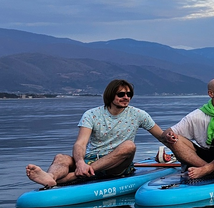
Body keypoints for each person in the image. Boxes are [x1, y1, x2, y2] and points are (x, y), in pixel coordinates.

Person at [25, 79, 172, 187]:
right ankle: (50, 177)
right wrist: (80, 162)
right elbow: (80, 143)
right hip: (92, 159)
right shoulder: (91, 114)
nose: (126, 97)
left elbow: (161, 136)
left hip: (118, 165)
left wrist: (176, 142)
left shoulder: (139, 114)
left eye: (129, 94)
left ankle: (81, 173)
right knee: (61, 158)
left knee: (129, 146)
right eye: (121, 94)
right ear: (110, 95)